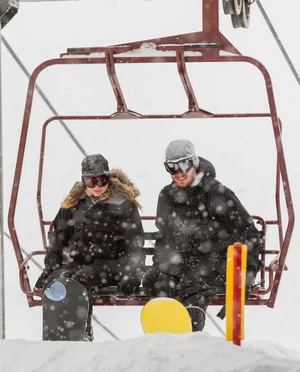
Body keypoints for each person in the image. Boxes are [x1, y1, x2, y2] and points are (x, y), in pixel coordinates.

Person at [143, 139, 262, 331]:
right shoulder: (167, 196)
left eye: (183, 165)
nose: (179, 173)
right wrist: (161, 263)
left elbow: (249, 234)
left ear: (194, 162)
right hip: (183, 261)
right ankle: (164, 333)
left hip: (215, 261)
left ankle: (190, 329)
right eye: (172, 168)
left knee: (193, 283)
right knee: (154, 279)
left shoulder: (216, 193)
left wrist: (247, 273)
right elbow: (165, 237)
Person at [34, 154, 145, 340]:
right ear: (83, 180)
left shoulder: (122, 204)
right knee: (56, 283)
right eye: (91, 181)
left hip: (113, 263)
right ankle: (59, 335)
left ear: (109, 178)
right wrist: (50, 266)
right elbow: (59, 238)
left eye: (102, 180)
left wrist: (134, 272)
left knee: (78, 281)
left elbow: (135, 243)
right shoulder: (74, 204)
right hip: (81, 262)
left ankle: (81, 332)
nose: (97, 186)